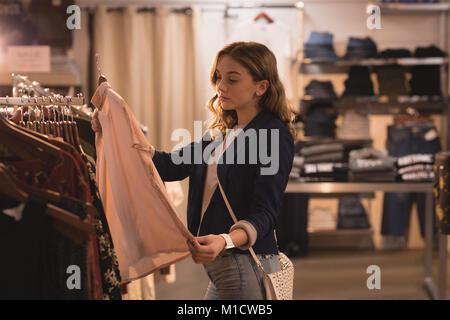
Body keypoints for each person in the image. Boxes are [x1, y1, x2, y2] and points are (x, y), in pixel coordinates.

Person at [93, 41, 295, 299]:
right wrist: (116, 130)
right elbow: (168, 166)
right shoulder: (221, 134)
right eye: (218, 77)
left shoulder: (272, 135)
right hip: (222, 266)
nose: (221, 87)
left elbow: (266, 211)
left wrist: (225, 239)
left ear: (261, 87)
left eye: (232, 79)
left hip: (244, 263)